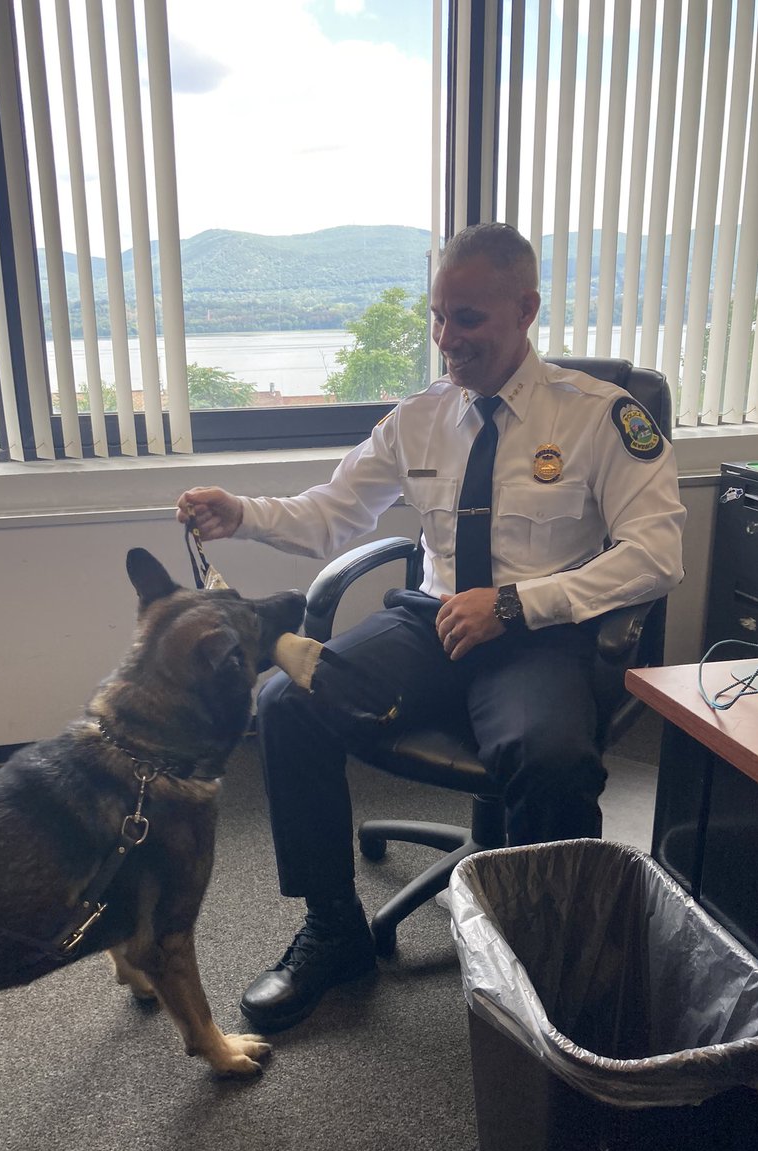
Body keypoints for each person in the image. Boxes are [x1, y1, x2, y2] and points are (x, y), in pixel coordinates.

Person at [176, 222, 686, 1034]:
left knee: (550, 761)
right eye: (439, 317)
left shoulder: (600, 418)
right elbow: (332, 513)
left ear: (525, 309)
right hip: (433, 619)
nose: (448, 339)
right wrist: (242, 514)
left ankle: (547, 958)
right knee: (285, 702)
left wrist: (518, 603)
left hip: (536, 635)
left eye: (469, 319)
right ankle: (335, 931)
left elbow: (655, 556)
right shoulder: (421, 417)